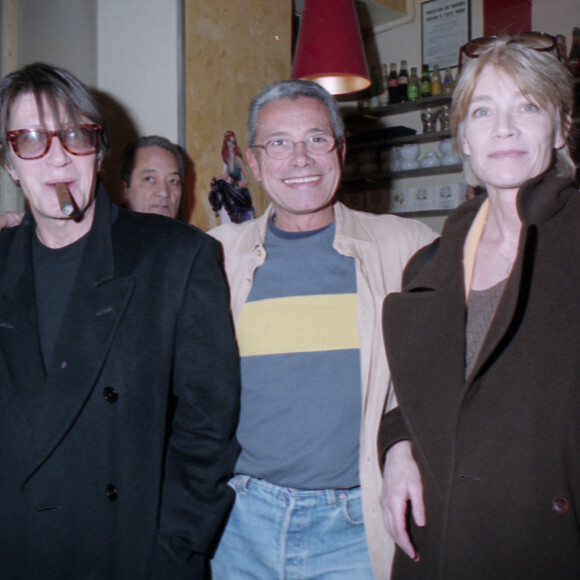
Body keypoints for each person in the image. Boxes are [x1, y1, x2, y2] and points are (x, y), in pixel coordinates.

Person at [0, 62, 240, 579]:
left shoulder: (176, 257)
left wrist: (174, 553)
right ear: (10, 164)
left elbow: (207, 433)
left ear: (100, 151)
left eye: (75, 135)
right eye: (30, 139)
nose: (58, 155)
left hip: (127, 557)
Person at [209, 79, 436, 579]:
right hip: (240, 524)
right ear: (254, 158)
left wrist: (407, 445)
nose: (300, 159)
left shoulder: (407, 248)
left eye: (316, 139)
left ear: (341, 150)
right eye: (279, 143)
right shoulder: (215, 255)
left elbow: (457, 369)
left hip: (358, 525)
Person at [378, 33, 579, 579]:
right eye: (483, 110)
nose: (505, 128)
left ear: (561, 127)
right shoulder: (428, 264)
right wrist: (397, 449)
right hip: (442, 544)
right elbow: (424, 396)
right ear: (462, 137)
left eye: (528, 106)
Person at [120, 135, 186, 220]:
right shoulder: (103, 232)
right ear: (124, 190)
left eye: (173, 181)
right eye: (149, 179)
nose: (164, 193)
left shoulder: (192, 233)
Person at [209, 130, 255, 223]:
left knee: (222, 185)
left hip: (241, 193)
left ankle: (225, 211)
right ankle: (217, 208)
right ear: (226, 143)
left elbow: (246, 180)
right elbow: (225, 176)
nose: (231, 144)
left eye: (233, 142)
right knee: (218, 184)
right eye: (229, 141)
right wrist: (215, 179)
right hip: (233, 191)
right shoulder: (228, 160)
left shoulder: (237, 159)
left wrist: (235, 186)